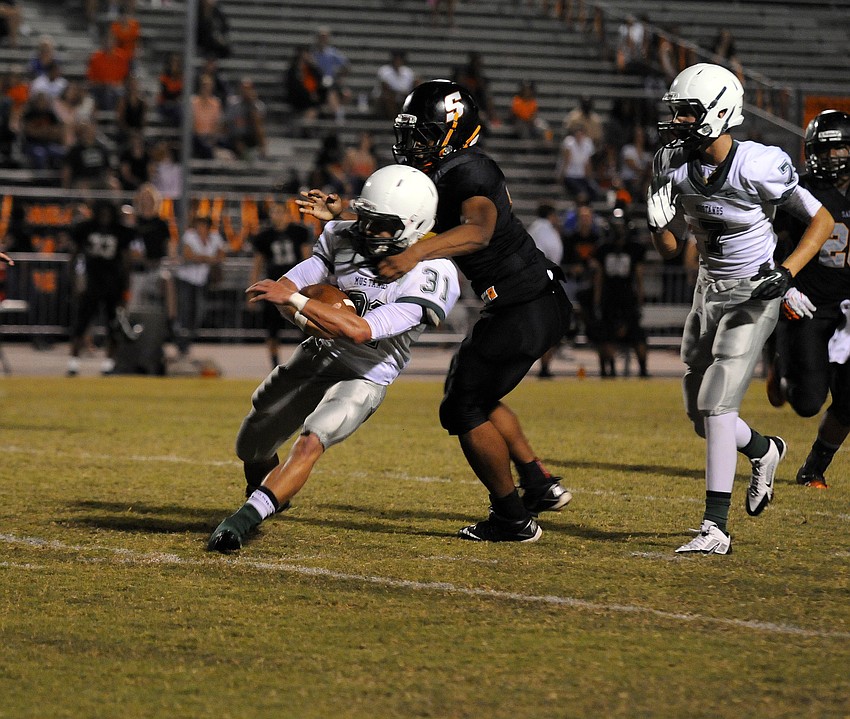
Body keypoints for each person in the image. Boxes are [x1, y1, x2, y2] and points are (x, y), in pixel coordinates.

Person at [302, 80, 573, 542]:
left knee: (462, 408)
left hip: (523, 304)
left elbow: (478, 230)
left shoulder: (468, 169)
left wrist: (414, 256)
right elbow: (410, 218)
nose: (413, 143)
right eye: (410, 132)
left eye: (424, 133)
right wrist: (346, 209)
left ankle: (511, 517)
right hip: (528, 302)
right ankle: (538, 484)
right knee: (474, 393)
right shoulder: (444, 172)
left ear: (454, 131)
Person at [207, 165, 461, 552]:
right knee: (252, 444)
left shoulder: (433, 271)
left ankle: (242, 521)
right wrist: (297, 308)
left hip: (367, 372)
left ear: (413, 225)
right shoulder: (344, 237)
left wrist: (298, 302)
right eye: (365, 218)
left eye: (380, 224)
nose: (367, 230)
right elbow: (288, 285)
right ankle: (267, 490)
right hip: (319, 352)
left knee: (312, 440)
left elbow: (360, 329)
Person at [646, 63, 834, 554]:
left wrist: (788, 271)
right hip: (708, 289)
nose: (677, 122)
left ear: (719, 112)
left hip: (755, 290)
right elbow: (670, 249)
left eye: (687, 113)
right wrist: (656, 223)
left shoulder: (757, 163)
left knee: (717, 404)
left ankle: (715, 527)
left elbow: (821, 219)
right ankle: (764, 449)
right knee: (699, 412)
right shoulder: (670, 161)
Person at [767, 110, 850, 490]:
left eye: (839, 149)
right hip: (808, 305)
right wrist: (785, 286)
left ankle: (814, 468)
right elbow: (766, 243)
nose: (832, 157)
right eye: (826, 149)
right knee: (807, 402)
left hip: (847, 312)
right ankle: (782, 366)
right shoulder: (800, 190)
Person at [67, 199, 135, 377]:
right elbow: (74, 255)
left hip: (113, 283)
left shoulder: (120, 231)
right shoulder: (86, 228)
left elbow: (127, 261)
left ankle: (109, 362)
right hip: (92, 282)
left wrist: (126, 286)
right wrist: (75, 280)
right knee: (82, 322)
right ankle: (73, 362)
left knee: (112, 324)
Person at [249, 201, 312, 369]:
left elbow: (307, 259)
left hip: (296, 287)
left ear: (287, 214)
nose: (277, 216)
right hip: (274, 287)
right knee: (272, 329)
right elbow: (258, 264)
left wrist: (310, 286)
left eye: (280, 212)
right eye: (274, 212)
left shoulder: (298, 232)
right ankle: (274, 364)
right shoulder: (264, 236)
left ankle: (304, 362)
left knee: (305, 325)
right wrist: (252, 289)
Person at [593, 209, 649, 378]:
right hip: (610, 297)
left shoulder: (634, 249)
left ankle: (643, 370)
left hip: (626, 296)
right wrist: (597, 300)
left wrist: (640, 297)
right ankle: (608, 371)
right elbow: (599, 276)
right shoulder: (603, 249)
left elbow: (638, 276)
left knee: (637, 336)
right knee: (606, 337)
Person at [172, 214, 227, 357]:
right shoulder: (189, 236)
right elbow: (188, 254)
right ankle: (181, 343)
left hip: (202, 281)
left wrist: (203, 259)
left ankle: (188, 339)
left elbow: (221, 255)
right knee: (185, 311)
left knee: (198, 313)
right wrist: (208, 259)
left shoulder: (215, 237)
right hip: (186, 279)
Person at [527, 202, 564, 377]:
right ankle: (544, 367)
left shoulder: (532, 229)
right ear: (550, 215)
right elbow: (554, 256)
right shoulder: (548, 232)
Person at [224, 77, 267, 160]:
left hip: (251, 137)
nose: (245, 91)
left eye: (248, 88)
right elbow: (227, 124)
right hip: (235, 136)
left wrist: (252, 105)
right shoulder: (233, 104)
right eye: (244, 88)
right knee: (237, 139)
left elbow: (259, 127)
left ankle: (258, 153)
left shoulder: (258, 106)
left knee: (259, 131)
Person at [373, 49, 416, 121]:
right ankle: (393, 119)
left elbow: (411, 86)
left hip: (402, 97)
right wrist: (398, 93)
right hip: (386, 97)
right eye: (396, 59)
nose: (398, 62)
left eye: (400, 59)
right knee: (389, 98)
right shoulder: (384, 70)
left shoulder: (408, 72)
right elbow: (385, 87)